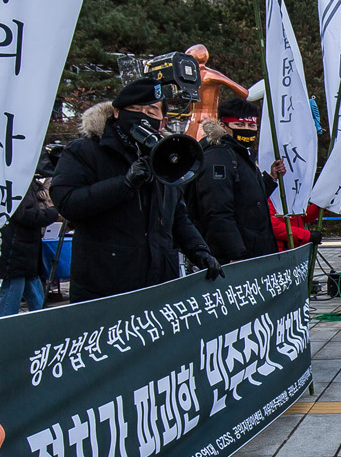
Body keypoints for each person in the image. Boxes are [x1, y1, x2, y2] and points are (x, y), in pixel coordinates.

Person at [50, 77, 221, 301]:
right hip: (105, 288)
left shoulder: (168, 157)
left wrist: (200, 250)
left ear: (162, 121)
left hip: (159, 284)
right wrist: (125, 184)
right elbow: (67, 203)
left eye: (151, 112)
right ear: (117, 113)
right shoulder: (85, 151)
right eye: (134, 109)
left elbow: (177, 216)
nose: (143, 117)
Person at [192, 104, 285, 265]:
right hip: (235, 257)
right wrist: (235, 253)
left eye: (251, 125)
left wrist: (270, 179)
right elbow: (217, 211)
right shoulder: (218, 156)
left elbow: (247, 198)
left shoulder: (240, 154)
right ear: (223, 126)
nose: (247, 130)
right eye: (239, 125)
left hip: (253, 249)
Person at [0, 178, 60, 315]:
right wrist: (52, 213)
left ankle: (42, 319)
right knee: (15, 288)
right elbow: (25, 215)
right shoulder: (20, 183)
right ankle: (3, 326)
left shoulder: (20, 182)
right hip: (18, 246)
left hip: (21, 246)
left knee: (29, 284)